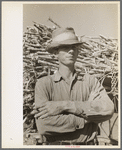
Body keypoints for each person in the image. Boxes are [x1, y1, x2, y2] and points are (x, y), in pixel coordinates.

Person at [34, 27, 114, 145]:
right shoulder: (44, 84)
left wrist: (65, 105)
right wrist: (88, 117)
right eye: (66, 47)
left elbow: (108, 109)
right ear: (56, 52)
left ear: (77, 52)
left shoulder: (90, 81)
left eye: (74, 47)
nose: (71, 51)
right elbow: (44, 125)